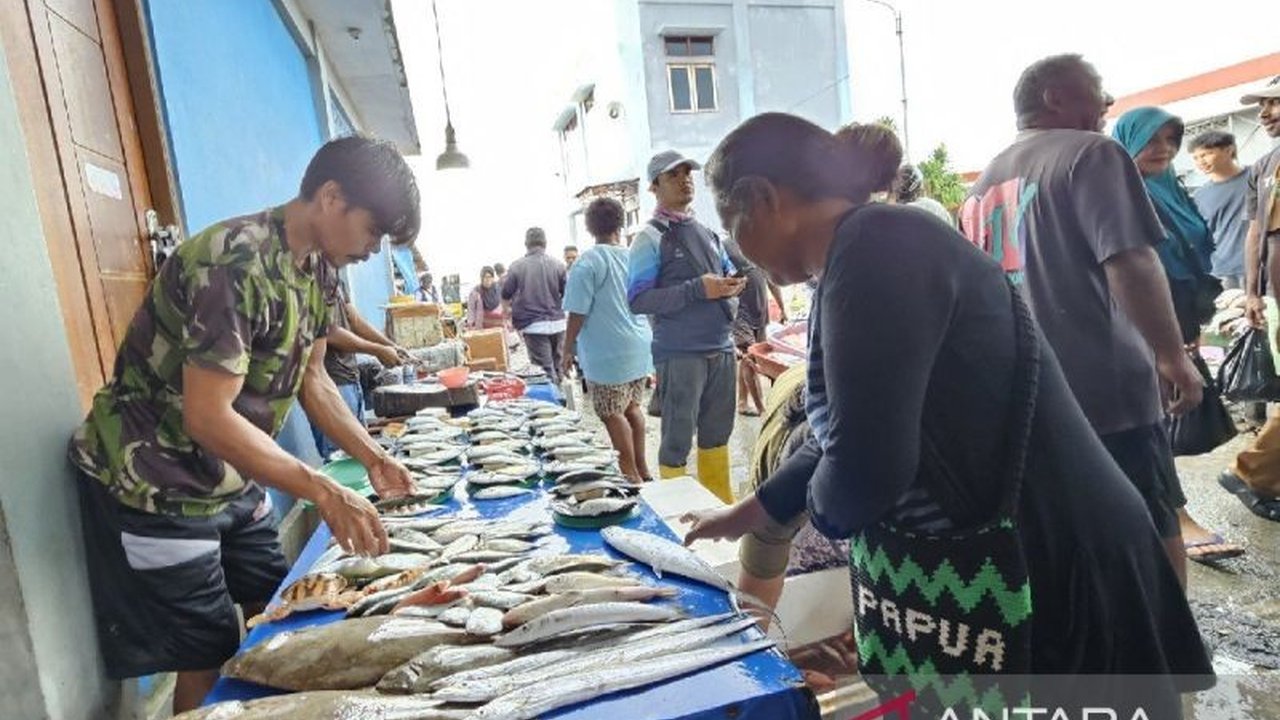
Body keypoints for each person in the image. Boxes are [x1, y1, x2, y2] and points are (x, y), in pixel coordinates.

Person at [684, 112, 1213, 711]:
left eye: (729, 223)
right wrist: (757, 510)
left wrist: (821, 515)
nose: (735, 247)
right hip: (1025, 553)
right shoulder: (860, 251)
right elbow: (852, 422)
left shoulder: (875, 247)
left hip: (1050, 560)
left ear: (762, 199)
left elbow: (864, 468)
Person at [67, 136, 419, 712]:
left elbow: (315, 380)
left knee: (280, 606)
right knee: (206, 649)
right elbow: (208, 416)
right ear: (331, 197)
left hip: (230, 475)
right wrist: (321, 486)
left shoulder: (319, 270)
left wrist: (373, 457)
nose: (373, 249)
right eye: (373, 231)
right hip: (158, 478)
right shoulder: (232, 263)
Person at [957, 54, 1204, 586]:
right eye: (1098, 90)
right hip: (1106, 389)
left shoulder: (982, 185)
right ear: (1055, 97)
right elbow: (1131, 260)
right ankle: (1170, 651)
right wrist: (1172, 355)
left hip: (1028, 396)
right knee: (1150, 516)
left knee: (1063, 533)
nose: (1107, 103)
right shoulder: (1091, 152)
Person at [1112, 106, 1246, 563]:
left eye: (1171, 140)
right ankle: (1177, 521)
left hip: (1179, 327)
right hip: (1141, 332)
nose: (1164, 149)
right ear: (1127, 141)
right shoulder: (1118, 195)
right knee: (1150, 427)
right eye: (1152, 140)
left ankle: (1158, 517)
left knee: (1159, 426)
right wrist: (1162, 343)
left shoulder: (1173, 191)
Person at [628, 150, 746, 501]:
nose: (685, 179)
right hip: (680, 354)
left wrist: (731, 287)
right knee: (676, 440)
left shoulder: (709, 233)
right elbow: (638, 300)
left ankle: (721, 513)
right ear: (654, 187)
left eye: (687, 173)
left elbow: (727, 275)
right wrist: (698, 289)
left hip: (722, 349)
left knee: (717, 435)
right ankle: (677, 516)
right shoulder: (649, 238)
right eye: (673, 175)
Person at [1221, 76, 1280, 522]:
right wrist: (1253, 292)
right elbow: (1255, 230)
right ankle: (1252, 473)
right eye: (1262, 105)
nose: (1265, 113)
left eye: (1274, 103)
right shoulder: (1264, 167)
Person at [562, 197, 654, 481]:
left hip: (608, 352)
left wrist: (567, 349)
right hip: (639, 345)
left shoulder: (588, 262)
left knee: (611, 412)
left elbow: (577, 311)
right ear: (620, 223)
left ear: (590, 228)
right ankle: (643, 468)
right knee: (631, 407)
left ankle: (629, 472)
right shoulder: (633, 257)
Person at [314, 276, 412, 460]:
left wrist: (391, 346)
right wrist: (377, 350)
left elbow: (355, 321)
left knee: (362, 457)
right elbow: (328, 331)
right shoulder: (312, 278)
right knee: (341, 459)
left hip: (350, 378)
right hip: (330, 383)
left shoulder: (334, 277)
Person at [723, 235, 786, 417]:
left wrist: (782, 308)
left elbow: (771, 280)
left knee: (750, 359)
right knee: (751, 357)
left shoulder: (759, 242)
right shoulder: (725, 246)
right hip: (739, 313)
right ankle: (762, 409)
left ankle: (743, 402)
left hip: (760, 311)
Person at [502, 227, 568, 383]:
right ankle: (562, 399)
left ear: (526, 244)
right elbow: (567, 293)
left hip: (533, 326)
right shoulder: (558, 265)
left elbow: (505, 295)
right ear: (545, 243)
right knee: (558, 368)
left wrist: (509, 312)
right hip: (558, 323)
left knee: (543, 372)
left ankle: (553, 404)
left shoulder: (517, 266)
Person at [1191, 130, 1251, 289]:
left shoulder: (1257, 177)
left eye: (1206, 154)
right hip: (1224, 272)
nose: (1200, 161)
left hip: (1264, 264)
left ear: (1229, 150)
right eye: (1196, 157)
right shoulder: (1199, 196)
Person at [466, 266, 506, 330]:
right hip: (483, 328)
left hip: (499, 327)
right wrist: (471, 325)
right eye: (485, 277)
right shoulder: (476, 292)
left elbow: (504, 304)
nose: (488, 280)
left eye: (490, 277)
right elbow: (471, 310)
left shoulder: (498, 288)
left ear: (493, 278)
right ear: (481, 278)